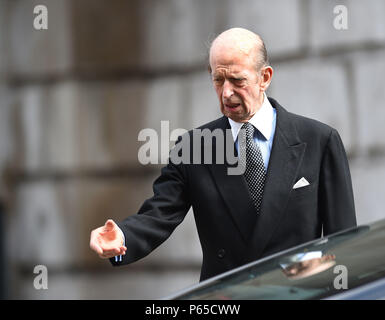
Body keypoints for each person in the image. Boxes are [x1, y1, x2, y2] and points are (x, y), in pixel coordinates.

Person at [90, 28, 356, 281]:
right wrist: (122, 237)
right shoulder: (193, 147)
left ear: (264, 77)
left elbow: (343, 244)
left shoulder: (319, 140)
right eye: (218, 79)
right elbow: (158, 214)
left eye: (237, 80)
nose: (226, 92)